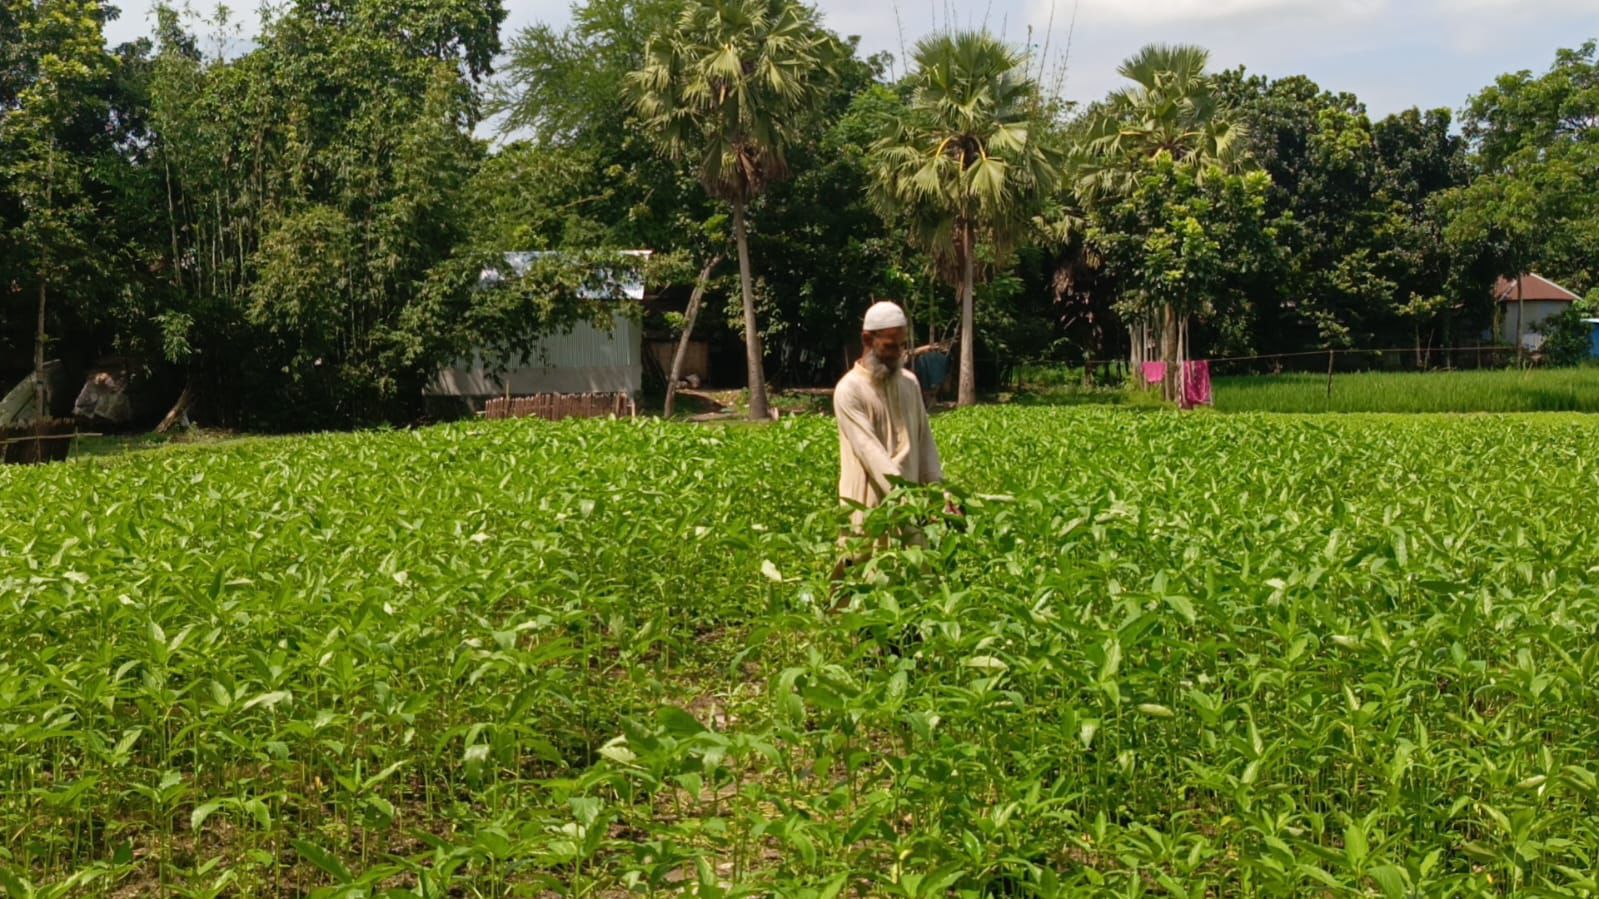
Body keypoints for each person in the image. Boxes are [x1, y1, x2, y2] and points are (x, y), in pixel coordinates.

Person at [832, 301, 950, 576]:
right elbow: (873, 456)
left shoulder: (909, 383)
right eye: (890, 346)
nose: (898, 354)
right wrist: (909, 503)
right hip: (868, 509)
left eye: (901, 346)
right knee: (861, 594)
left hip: (909, 510)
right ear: (867, 340)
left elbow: (924, 443)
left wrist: (940, 493)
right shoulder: (849, 390)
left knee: (914, 589)